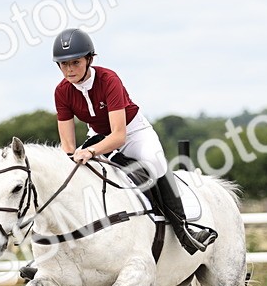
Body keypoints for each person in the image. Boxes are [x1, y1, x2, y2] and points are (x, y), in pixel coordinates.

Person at [52, 28, 216, 255]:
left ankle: (184, 229)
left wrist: (89, 152)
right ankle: (60, 248)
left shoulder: (108, 79)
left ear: (89, 59)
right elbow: (68, 146)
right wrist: (72, 160)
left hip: (133, 132)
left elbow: (119, 135)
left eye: (75, 62)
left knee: (155, 162)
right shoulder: (61, 92)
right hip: (97, 137)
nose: (69, 70)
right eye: (63, 64)